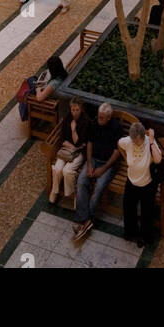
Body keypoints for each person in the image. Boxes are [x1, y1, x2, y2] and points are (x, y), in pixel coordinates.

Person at [73, 101, 124, 241]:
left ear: (109, 117)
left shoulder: (116, 128)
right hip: (94, 159)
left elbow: (117, 152)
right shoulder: (94, 123)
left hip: (109, 163)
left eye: (102, 117)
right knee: (81, 181)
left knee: (99, 187)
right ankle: (86, 220)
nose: (99, 119)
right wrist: (89, 164)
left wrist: (103, 169)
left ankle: (85, 220)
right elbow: (90, 143)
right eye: (98, 116)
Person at [118, 121, 162, 246]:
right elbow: (119, 143)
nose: (135, 143)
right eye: (133, 140)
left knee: (146, 212)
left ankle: (145, 236)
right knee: (128, 207)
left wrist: (152, 141)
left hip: (147, 184)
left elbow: (158, 159)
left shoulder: (149, 142)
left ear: (143, 137)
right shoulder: (128, 141)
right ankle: (130, 232)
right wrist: (126, 157)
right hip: (131, 181)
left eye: (137, 141)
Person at [49, 98, 89, 204]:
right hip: (68, 149)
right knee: (57, 169)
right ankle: (55, 191)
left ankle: (74, 194)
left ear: (81, 109)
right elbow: (62, 139)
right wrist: (72, 147)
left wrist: (73, 129)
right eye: (72, 110)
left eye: (77, 110)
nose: (74, 112)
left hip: (80, 153)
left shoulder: (86, 122)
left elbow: (80, 143)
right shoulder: (68, 118)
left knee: (67, 171)